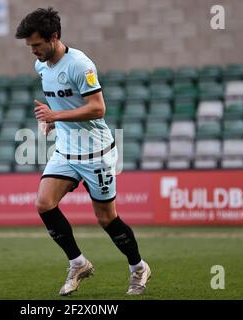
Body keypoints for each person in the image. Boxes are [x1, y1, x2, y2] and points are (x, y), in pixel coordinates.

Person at [15, 7, 151, 296]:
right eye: (30, 47)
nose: (33, 51)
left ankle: (138, 267)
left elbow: (98, 108)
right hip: (66, 151)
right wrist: (50, 122)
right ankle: (78, 263)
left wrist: (56, 117)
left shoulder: (80, 65)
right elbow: (60, 104)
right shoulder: (42, 66)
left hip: (96, 153)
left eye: (37, 45)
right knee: (44, 203)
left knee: (106, 219)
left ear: (54, 37)